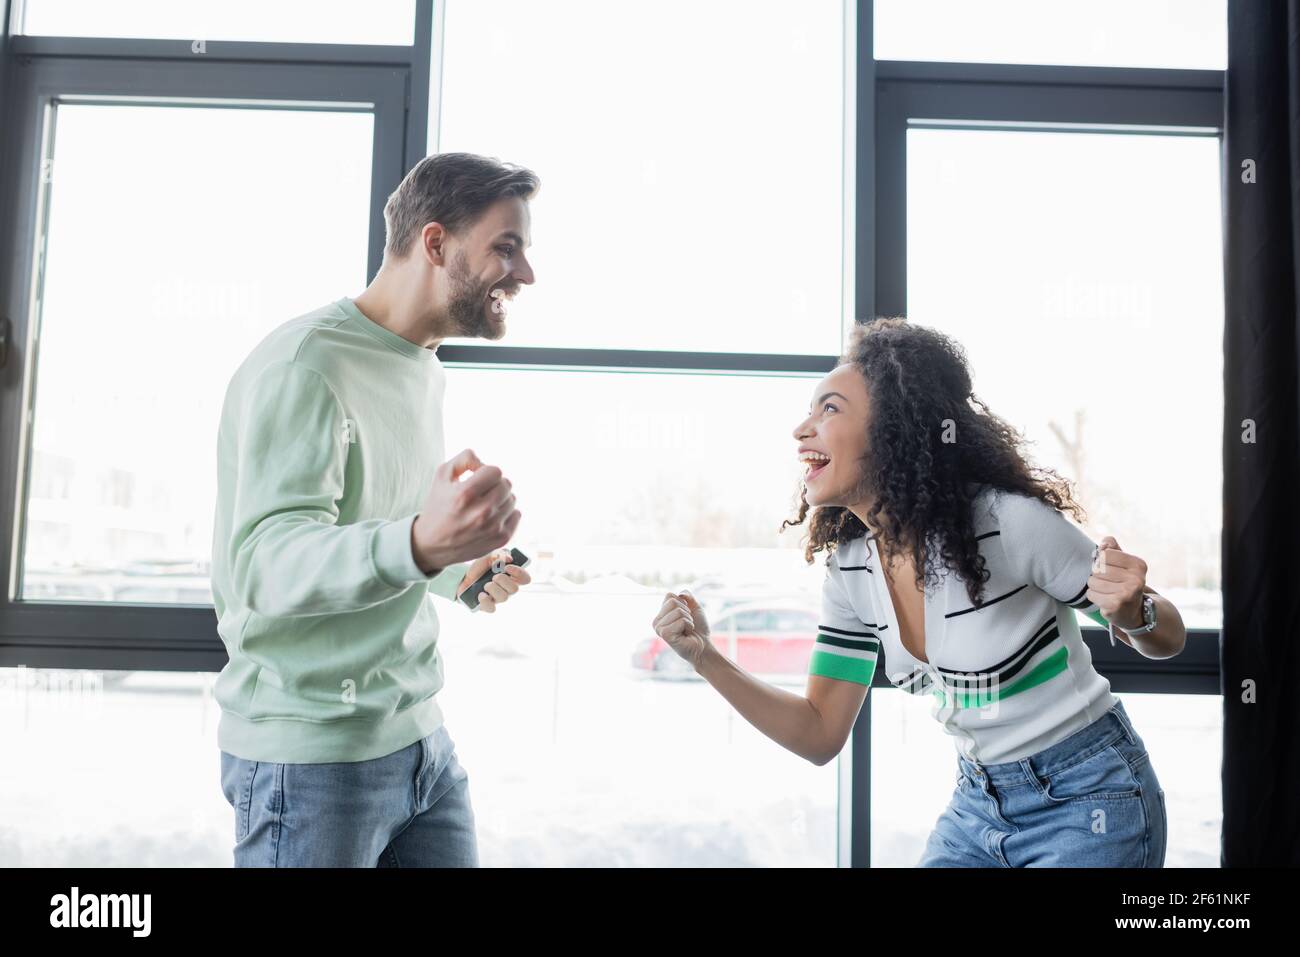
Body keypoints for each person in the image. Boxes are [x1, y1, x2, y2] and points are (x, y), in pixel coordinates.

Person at [652, 317, 1186, 867]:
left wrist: (1136, 611)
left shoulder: (1007, 525)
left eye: (829, 408)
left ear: (895, 429)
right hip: (979, 806)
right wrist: (704, 658)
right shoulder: (852, 569)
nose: (802, 429)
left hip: (1090, 799)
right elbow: (818, 733)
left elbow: (1167, 636)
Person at [211, 152, 539, 867]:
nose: (525, 274)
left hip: (419, 742)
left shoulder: (421, 367)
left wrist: (457, 566)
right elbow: (264, 565)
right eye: (505, 248)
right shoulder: (305, 364)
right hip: (312, 758)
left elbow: (375, 530)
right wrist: (423, 543)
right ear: (434, 243)